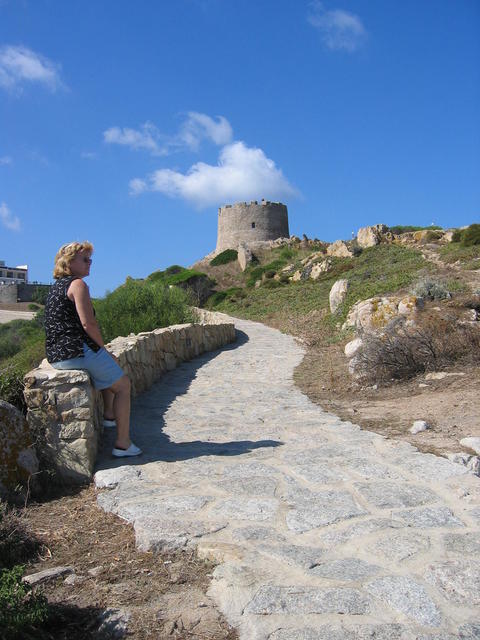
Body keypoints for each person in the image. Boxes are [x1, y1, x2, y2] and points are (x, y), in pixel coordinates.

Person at [44, 241, 141, 457]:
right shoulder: (78, 285)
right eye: (85, 260)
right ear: (69, 262)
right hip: (76, 351)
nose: (90, 264)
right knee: (124, 385)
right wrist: (104, 349)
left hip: (56, 355)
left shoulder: (55, 287)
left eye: (91, 260)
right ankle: (123, 444)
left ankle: (108, 416)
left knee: (109, 367)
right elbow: (89, 325)